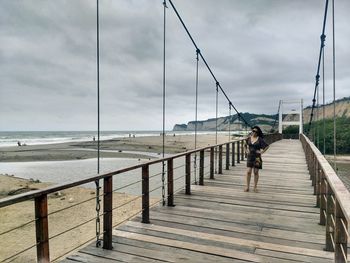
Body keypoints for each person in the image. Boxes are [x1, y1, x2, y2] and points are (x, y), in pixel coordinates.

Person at [244, 126, 269, 192]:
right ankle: (247, 187)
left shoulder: (260, 139)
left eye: (255, 131)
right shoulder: (248, 138)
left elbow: (267, 146)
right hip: (250, 157)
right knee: (248, 171)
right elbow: (244, 145)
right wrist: (246, 151)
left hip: (257, 157)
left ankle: (255, 187)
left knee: (255, 172)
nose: (253, 132)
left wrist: (261, 152)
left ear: (257, 133)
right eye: (253, 131)